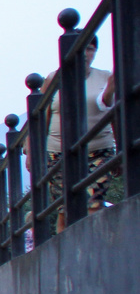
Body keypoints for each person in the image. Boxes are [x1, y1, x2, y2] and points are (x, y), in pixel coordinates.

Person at [43, 35, 117, 224]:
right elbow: (41, 116)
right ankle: (67, 252)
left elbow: (116, 112)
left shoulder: (106, 77)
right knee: (65, 209)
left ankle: (94, 249)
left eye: (90, 48)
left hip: (99, 149)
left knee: (94, 203)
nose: (85, 54)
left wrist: (122, 150)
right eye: (80, 48)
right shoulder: (54, 79)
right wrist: (32, 153)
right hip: (59, 153)